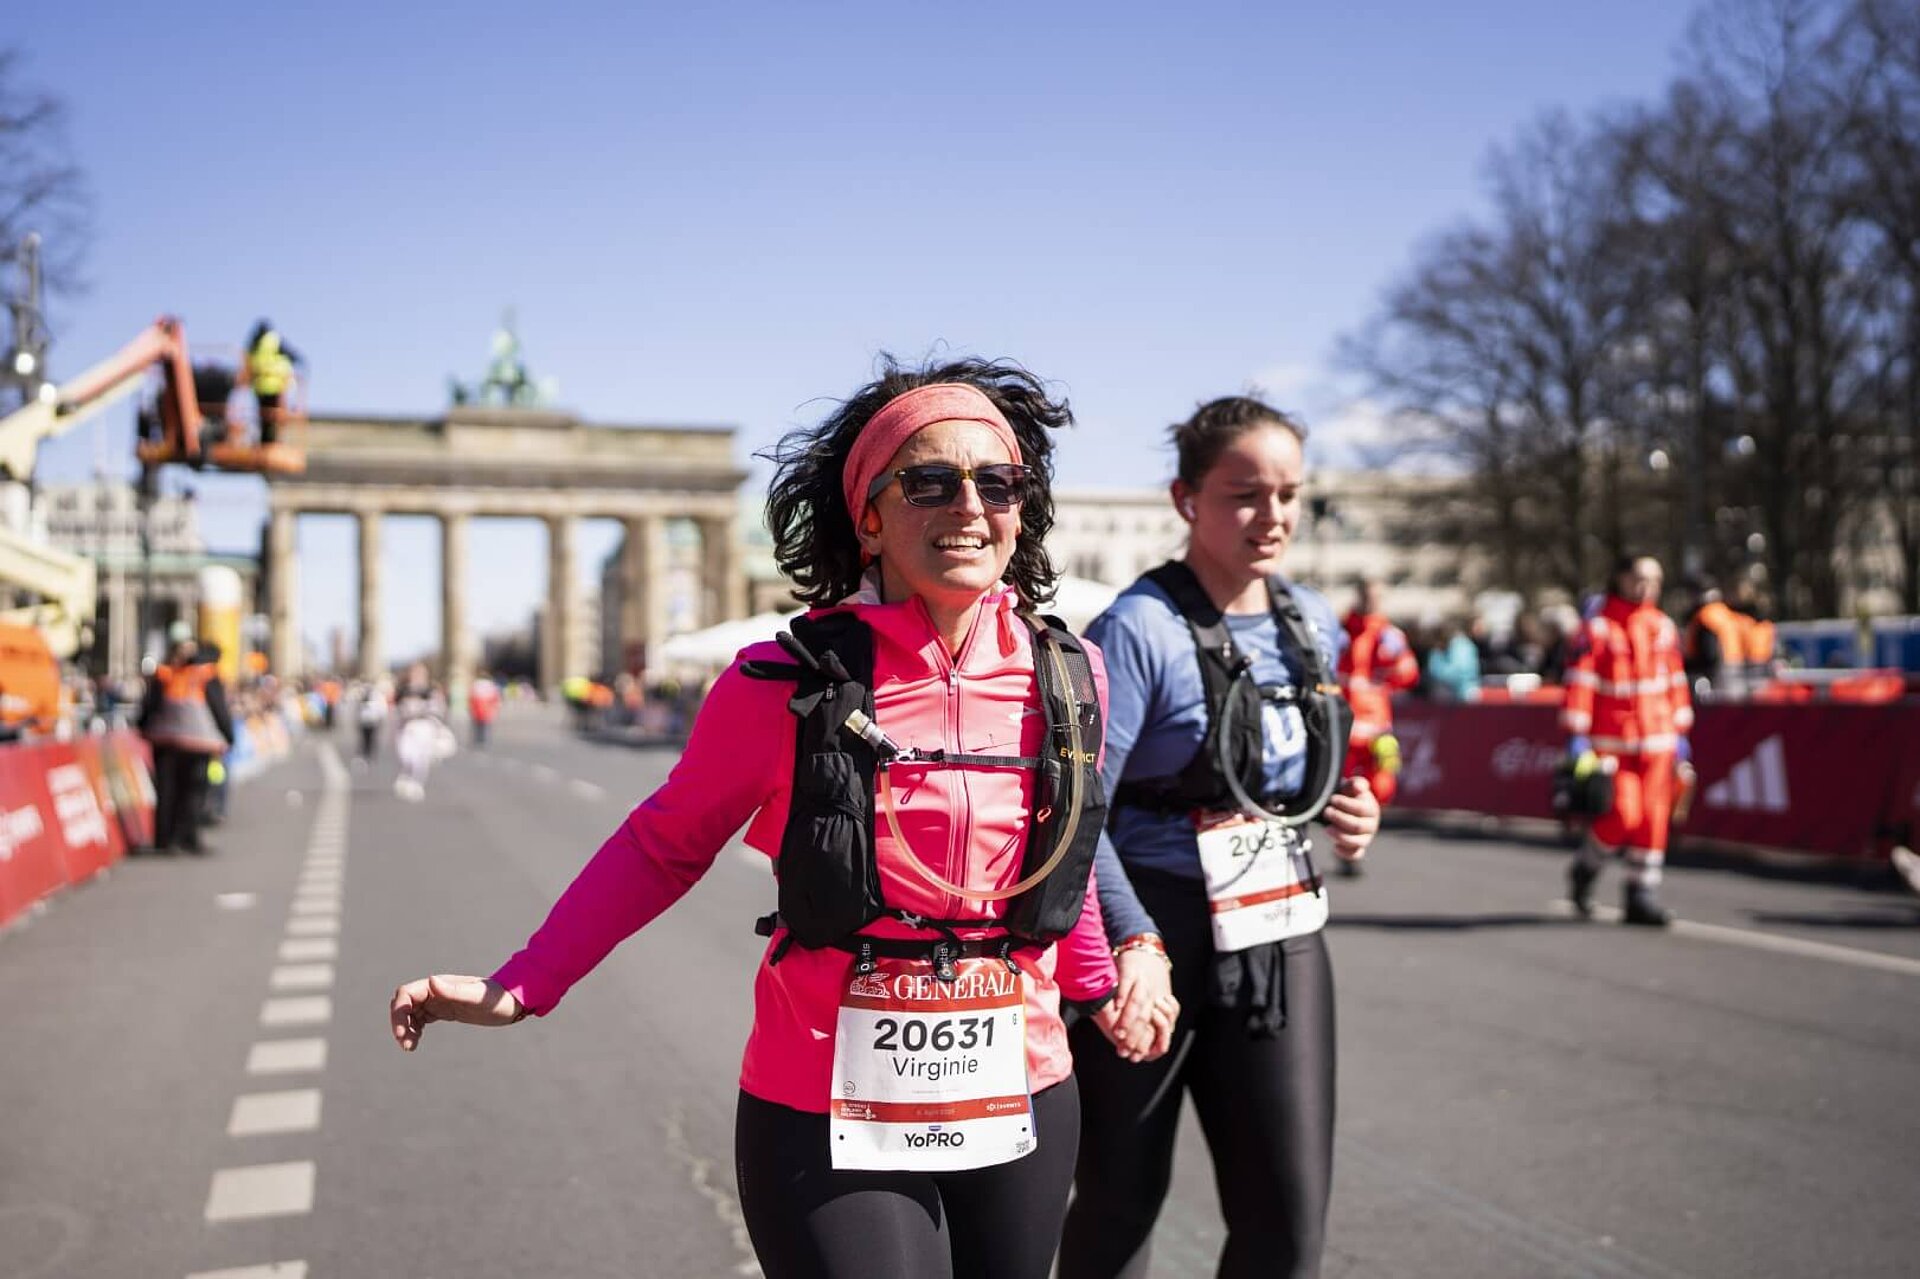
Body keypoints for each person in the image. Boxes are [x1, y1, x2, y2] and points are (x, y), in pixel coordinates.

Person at [389, 358, 1165, 1279]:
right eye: (931, 480)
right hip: (826, 1098)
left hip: (1022, 1090)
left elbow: (1060, 849)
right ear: (868, 516)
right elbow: (661, 844)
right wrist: (524, 983)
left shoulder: (1068, 672)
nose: (969, 505)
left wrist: (1108, 972)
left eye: (996, 483)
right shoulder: (779, 682)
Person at [1059, 396, 1382, 1279]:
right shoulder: (1137, 630)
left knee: (1288, 1215)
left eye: (1289, 494)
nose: (1272, 516)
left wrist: (1352, 810)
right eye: (1244, 494)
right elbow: (1080, 810)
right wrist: (1129, 942)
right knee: (1120, 1202)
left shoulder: (1311, 622)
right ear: (1185, 498)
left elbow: (1303, 778)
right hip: (1156, 929)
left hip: (1279, 928)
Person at [1562, 554, 1693, 927]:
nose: (1647, 587)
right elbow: (1580, 683)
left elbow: (1675, 683)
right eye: (1639, 578)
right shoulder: (1597, 629)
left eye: (1654, 580)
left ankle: (1641, 893)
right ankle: (1586, 867)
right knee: (1622, 815)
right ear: (1620, 578)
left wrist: (1681, 732)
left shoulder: (1663, 627)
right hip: (1612, 744)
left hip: (1658, 741)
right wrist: (1577, 736)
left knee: (1653, 820)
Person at [139, 637, 234, 853]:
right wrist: (228, 735)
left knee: (176, 792)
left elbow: (149, 707)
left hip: (172, 742)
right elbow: (218, 707)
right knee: (184, 793)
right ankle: (180, 838)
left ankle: (171, 839)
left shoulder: (169, 673)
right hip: (190, 744)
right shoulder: (197, 674)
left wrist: (144, 726)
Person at [1338, 576, 1419, 821]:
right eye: (1368, 595)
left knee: (1383, 786)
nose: (1373, 601)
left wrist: (1393, 662)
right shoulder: (1340, 630)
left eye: (1377, 596)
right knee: (1344, 788)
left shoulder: (1389, 634)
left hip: (1378, 727)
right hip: (1346, 724)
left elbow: (1409, 675)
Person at [239, 319, 304, 446]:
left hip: (259, 386)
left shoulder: (252, 344)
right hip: (276, 385)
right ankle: (273, 441)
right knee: (275, 417)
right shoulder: (274, 340)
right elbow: (294, 357)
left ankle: (264, 441)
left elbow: (247, 364)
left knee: (263, 417)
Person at [391, 665, 448, 801]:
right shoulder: (403, 690)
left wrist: (437, 726)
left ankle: (416, 783)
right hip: (407, 725)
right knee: (405, 753)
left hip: (424, 725)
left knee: (421, 756)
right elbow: (396, 708)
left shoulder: (431, 690)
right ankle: (407, 775)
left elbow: (438, 708)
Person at [467, 670, 501, 747]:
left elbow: (471, 697)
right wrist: (495, 708)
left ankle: (478, 739)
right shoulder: (491, 685)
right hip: (487, 709)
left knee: (478, 726)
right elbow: (495, 698)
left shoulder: (476, 685)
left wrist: (471, 707)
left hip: (477, 707)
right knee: (486, 726)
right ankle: (484, 740)